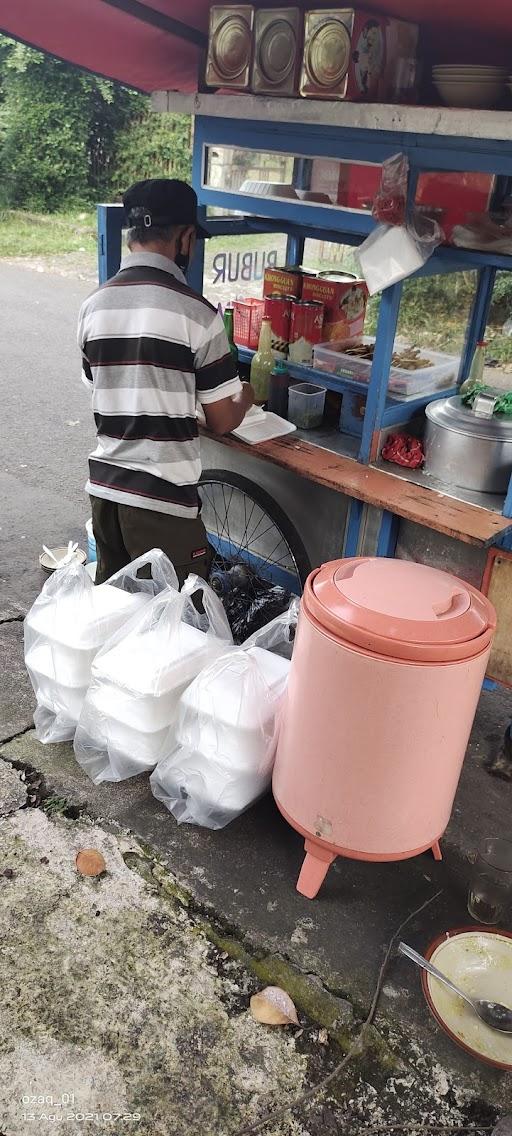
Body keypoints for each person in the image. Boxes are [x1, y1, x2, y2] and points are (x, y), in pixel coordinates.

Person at [78, 178, 254, 585]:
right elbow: (223, 419)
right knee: (179, 628)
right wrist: (245, 395)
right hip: (162, 505)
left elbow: (104, 386)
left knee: (118, 613)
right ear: (186, 237)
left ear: (133, 234)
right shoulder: (197, 314)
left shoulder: (93, 307)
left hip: (106, 494)